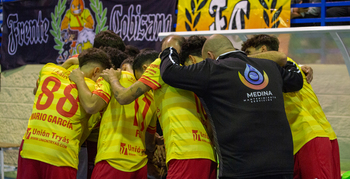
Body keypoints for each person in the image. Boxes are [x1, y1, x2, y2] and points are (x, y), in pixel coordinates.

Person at [159, 34, 304, 178]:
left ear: (210, 55)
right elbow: (296, 80)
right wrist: (291, 64)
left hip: (240, 169)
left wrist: (169, 50)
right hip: (281, 167)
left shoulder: (212, 68)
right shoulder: (271, 67)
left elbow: (169, 72)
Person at [101, 36, 217, 179]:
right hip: (208, 154)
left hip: (184, 153)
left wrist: (112, 78)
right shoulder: (194, 74)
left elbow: (124, 97)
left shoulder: (162, 65)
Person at [241, 34, 341, 179]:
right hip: (324, 137)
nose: (246, 59)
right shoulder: (292, 66)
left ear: (263, 49)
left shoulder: (272, 69)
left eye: (249, 53)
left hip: (307, 138)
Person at [17, 48, 112, 179]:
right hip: (61, 155)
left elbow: (36, 91)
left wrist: (67, 64)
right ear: (96, 71)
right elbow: (91, 109)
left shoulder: (48, 69)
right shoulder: (93, 88)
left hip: (30, 148)